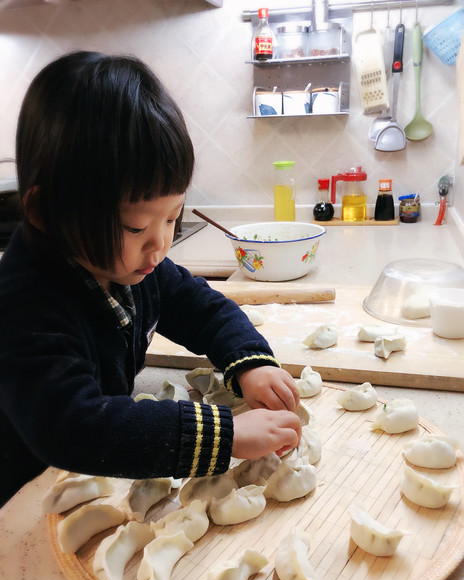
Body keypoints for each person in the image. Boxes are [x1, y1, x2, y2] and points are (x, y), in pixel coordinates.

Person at [0, 51, 302, 508]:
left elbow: (200, 306)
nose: (159, 245)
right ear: (46, 212)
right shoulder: (24, 306)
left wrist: (250, 361)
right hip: (21, 489)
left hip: (80, 472)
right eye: (137, 226)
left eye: (173, 218)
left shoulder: (127, 265)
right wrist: (226, 435)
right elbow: (74, 426)